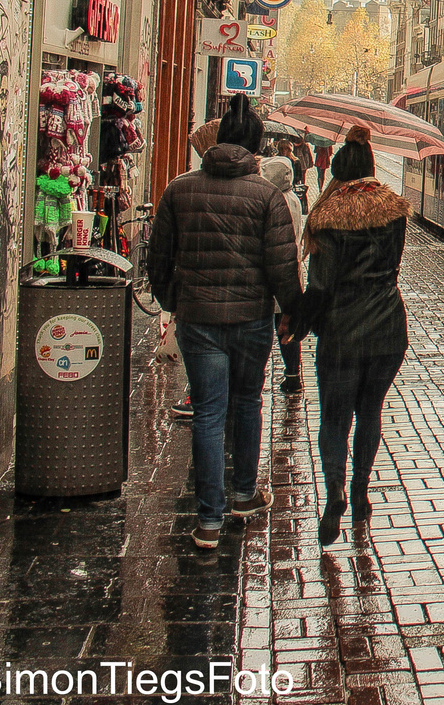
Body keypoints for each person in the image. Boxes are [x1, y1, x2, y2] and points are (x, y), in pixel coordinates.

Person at [148, 94, 302, 549]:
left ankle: (208, 520)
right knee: (247, 402)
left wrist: (176, 300)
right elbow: (283, 269)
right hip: (252, 321)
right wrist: (292, 313)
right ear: (255, 148)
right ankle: (243, 494)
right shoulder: (268, 196)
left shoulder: (179, 189)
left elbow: (158, 261)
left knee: (209, 413)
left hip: (198, 320)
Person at [288, 126, 410, 546]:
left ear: (338, 170)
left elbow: (320, 288)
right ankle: (361, 492)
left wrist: (298, 323)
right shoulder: (394, 210)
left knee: (335, 418)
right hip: (389, 329)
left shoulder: (327, 216)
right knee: (370, 411)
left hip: (342, 332)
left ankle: (335, 491)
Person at [260, 154, 307, 394]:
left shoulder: (274, 201)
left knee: (275, 325)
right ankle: (292, 373)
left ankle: (284, 374)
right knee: (286, 327)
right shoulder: (294, 199)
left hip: (277, 273)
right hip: (291, 271)